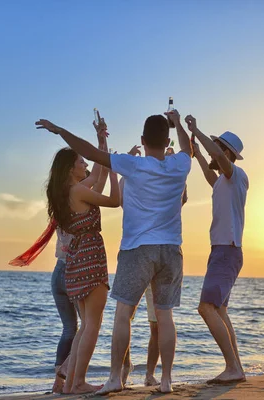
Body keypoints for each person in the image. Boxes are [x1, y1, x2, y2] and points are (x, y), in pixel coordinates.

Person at [35, 109, 192, 394]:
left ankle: (114, 378)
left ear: (143, 140)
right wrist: (180, 124)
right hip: (171, 248)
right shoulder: (180, 164)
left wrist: (61, 131)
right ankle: (166, 380)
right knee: (165, 316)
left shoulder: (134, 165)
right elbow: (188, 149)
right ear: (167, 139)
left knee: (122, 315)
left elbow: (92, 155)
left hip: (137, 249)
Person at [10, 118, 110, 394]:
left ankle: (62, 382)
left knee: (72, 328)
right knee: (86, 326)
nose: (85, 165)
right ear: (70, 169)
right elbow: (101, 181)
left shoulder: (62, 194)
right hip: (75, 268)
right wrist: (103, 149)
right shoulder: (76, 192)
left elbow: (96, 176)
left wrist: (101, 142)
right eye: (81, 162)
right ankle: (69, 378)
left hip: (60, 271)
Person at [185, 115, 249, 384]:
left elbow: (218, 162)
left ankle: (233, 367)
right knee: (220, 311)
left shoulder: (236, 175)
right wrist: (198, 153)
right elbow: (210, 174)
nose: (212, 153)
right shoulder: (224, 181)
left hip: (227, 250)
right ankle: (236, 368)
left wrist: (195, 130)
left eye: (216, 148)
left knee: (206, 308)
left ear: (225, 153)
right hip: (224, 251)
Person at [119, 145, 188, 388]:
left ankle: (150, 375)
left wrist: (169, 169)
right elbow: (120, 198)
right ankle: (126, 373)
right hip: (162, 251)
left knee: (146, 321)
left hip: (141, 252)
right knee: (147, 317)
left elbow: (183, 197)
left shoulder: (165, 181)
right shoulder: (135, 178)